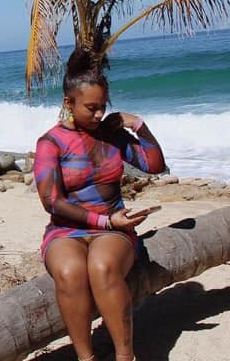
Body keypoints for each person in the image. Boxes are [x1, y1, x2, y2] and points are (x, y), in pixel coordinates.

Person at [34, 48, 166, 361]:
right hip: (67, 230)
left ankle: (124, 356)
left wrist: (138, 124)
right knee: (69, 272)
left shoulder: (111, 136)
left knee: (102, 266)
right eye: (91, 108)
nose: (98, 115)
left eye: (102, 107)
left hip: (114, 229)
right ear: (69, 103)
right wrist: (105, 222)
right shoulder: (50, 143)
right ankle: (86, 357)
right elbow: (51, 201)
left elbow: (155, 164)